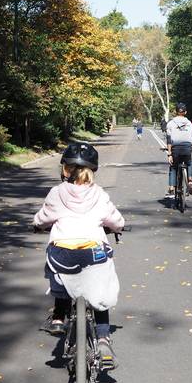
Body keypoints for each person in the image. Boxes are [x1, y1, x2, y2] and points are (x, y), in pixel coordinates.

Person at [33, 142, 124, 370]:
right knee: (100, 290)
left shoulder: (56, 192)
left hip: (62, 252)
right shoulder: (99, 194)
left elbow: (42, 218)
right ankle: (103, 340)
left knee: (61, 274)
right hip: (93, 251)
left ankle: (57, 318)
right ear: (93, 170)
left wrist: (37, 225)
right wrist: (118, 227)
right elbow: (115, 220)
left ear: (65, 169)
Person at [166, 103, 192, 197]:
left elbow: (169, 139)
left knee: (173, 166)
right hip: (187, 147)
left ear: (175, 112)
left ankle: (171, 187)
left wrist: (169, 154)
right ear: (185, 112)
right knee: (189, 164)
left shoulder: (171, 123)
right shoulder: (189, 123)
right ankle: (190, 181)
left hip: (176, 149)